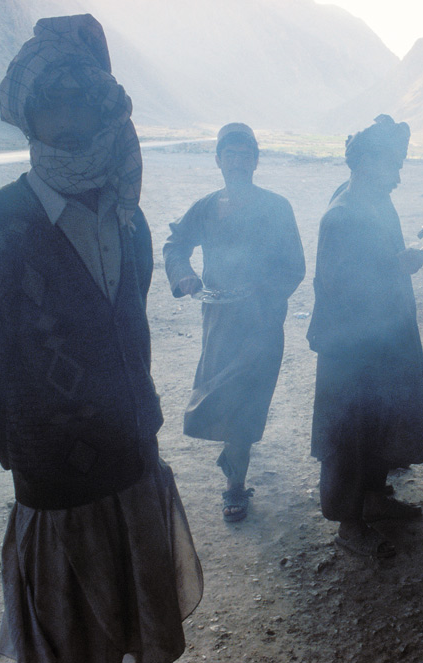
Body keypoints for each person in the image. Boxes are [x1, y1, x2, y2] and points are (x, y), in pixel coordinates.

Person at [0, 15, 202, 662]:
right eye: (51, 102)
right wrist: (35, 460)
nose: (66, 118)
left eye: (80, 99)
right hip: (57, 502)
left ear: (104, 108)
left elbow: (129, 340)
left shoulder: (131, 221)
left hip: (137, 475)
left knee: (139, 639)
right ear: (28, 115)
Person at [163, 122, 305, 522]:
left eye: (246, 155)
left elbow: (294, 266)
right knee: (223, 394)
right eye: (231, 155)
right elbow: (175, 244)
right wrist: (184, 275)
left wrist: (262, 296)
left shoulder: (277, 207)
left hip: (262, 321)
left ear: (256, 162)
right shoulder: (206, 207)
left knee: (248, 398)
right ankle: (235, 465)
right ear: (218, 161)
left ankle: (234, 483)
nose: (238, 163)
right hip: (219, 319)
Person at [307, 115, 423, 558]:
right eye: (391, 164)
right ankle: (349, 523)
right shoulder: (341, 216)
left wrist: (399, 262)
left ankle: (375, 498)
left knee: (381, 419)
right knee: (349, 433)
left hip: (382, 339)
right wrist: (398, 266)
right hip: (351, 348)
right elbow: (341, 287)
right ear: (364, 163)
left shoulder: (377, 202)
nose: (398, 175)